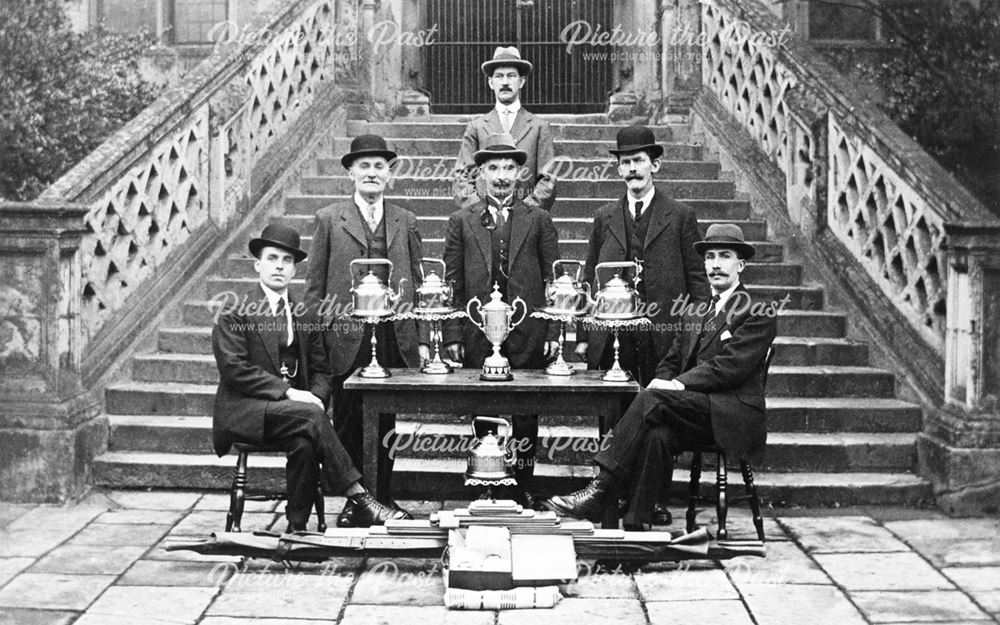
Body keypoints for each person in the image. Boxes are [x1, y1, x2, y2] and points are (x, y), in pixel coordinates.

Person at [544, 224, 777, 530]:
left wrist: (676, 384)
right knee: (656, 434)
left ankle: (601, 488)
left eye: (725, 256)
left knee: (653, 399)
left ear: (741, 264)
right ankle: (635, 526)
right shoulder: (695, 311)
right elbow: (671, 361)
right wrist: (663, 378)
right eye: (710, 258)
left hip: (731, 413)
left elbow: (730, 366)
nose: (716, 265)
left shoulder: (759, 311)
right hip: (693, 410)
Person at [211, 224, 408, 531]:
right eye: (272, 258)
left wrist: (315, 395)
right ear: (257, 264)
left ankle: (298, 529)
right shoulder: (235, 309)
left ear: (294, 269)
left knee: (305, 439)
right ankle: (360, 497)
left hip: (294, 415)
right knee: (311, 417)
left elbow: (322, 370)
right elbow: (234, 370)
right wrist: (292, 395)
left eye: (287, 260)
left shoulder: (303, 311)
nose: (279, 266)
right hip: (245, 410)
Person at [304, 134, 429, 527]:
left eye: (379, 166)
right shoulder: (329, 219)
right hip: (344, 333)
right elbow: (313, 287)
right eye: (364, 166)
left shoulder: (405, 220)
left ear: (389, 174)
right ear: (350, 174)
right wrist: (315, 341)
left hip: (393, 332)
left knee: (387, 420)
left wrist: (423, 337)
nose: (372, 173)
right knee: (347, 418)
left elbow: (421, 283)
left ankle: (383, 496)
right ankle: (354, 501)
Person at [443, 132, 560, 506]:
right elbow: (452, 283)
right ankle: (486, 482)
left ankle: (522, 485)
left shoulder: (539, 219)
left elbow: (554, 280)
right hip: (480, 330)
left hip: (528, 329)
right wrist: (452, 332)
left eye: (509, 167)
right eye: (493, 168)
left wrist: (554, 328)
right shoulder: (462, 220)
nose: (501, 176)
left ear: (521, 173)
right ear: (480, 172)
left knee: (525, 412)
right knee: (484, 407)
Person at [454, 46, 556, 212]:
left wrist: (525, 212)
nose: (505, 82)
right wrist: (481, 211)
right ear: (490, 83)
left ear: (521, 82)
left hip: (525, 220)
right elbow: (462, 177)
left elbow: (548, 179)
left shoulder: (539, 127)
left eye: (511, 76)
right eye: (499, 76)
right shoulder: (477, 127)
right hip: (484, 220)